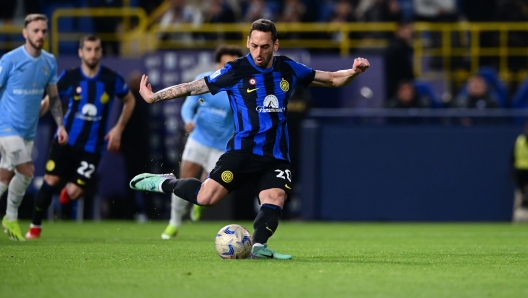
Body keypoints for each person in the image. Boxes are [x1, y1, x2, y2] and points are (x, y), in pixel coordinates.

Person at [130, 19, 370, 259]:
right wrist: (154, 97)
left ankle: (258, 246)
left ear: (275, 45)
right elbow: (194, 87)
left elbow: (331, 79)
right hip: (242, 151)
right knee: (205, 197)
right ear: (248, 43)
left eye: (264, 46)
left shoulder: (288, 68)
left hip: (276, 155)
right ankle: (166, 182)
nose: (258, 52)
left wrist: (353, 72)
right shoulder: (235, 70)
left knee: (275, 197)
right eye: (254, 46)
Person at [25, 34, 136, 239]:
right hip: (66, 141)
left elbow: (130, 100)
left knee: (74, 193)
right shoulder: (70, 76)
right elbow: (51, 99)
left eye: (96, 49)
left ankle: (65, 192)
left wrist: (118, 128)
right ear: (80, 52)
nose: (92, 54)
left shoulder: (111, 79)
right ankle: (34, 228)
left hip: (93, 147)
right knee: (50, 181)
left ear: (101, 52)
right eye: (88, 49)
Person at [161, 44, 244, 240]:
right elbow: (188, 106)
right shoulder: (206, 81)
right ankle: (174, 223)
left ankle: (198, 204)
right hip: (198, 139)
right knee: (183, 180)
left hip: (222, 146)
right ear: (217, 64)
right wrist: (188, 121)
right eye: (225, 64)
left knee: (209, 188)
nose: (228, 68)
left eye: (232, 63)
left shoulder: (241, 87)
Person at [0, 14, 68, 241]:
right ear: (25, 33)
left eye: (44, 31)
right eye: (36, 30)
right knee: (27, 170)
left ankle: (9, 218)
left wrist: (60, 125)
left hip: (28, 131)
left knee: (4, 179)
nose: (40, 35)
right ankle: (10, 217)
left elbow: (54, 98)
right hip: (6, 128)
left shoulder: (49, 61)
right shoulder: (10, 60)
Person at [511, 121, 528, 222]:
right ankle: (516, 222)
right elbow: (512, 159)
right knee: (519, 198)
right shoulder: (519, 141)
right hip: (521, 176)